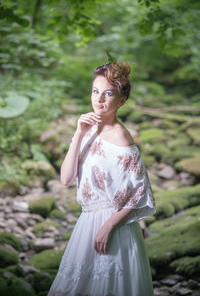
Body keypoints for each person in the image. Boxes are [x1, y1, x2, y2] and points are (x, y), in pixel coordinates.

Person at [48, 61, 156, 296]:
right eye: (95, 91)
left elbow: (139, 194)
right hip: (87, 222)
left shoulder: (122, 139)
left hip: (114, 225)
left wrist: (107, 227)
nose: (99, 99)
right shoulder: (88, 129)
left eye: (108, 93)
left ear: (122, 100)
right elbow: (66, 179)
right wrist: (79, 133)